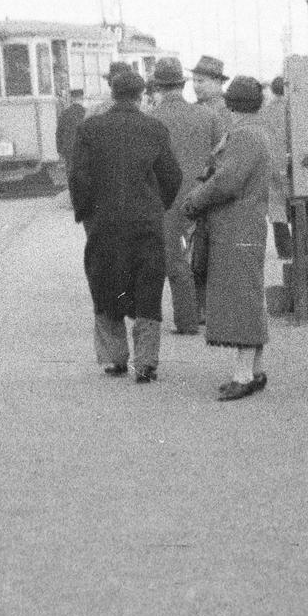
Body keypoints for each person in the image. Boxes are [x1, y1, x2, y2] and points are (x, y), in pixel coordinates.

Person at [68, 67, 182, 384]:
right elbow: (172, 175)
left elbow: (78, 178)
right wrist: (158, 205)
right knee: (147, 287)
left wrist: (87, 214)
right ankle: (145, 363)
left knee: (106, 285)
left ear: (113, 93)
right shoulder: (154, 129)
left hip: (103, 222)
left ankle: (114, 358)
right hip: (145, 222)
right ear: (141, 95)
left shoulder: (89, 129)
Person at [183, 76, 272, 401]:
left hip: (236, 227)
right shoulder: (255, 131)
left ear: (230, 104)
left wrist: (195, 200)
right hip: (244, 226)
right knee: (248, 295)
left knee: (241, 299)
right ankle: (255, 369)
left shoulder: (244, 135)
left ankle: (243, 375)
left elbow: (227, 182)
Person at [148, 57, 224, 334]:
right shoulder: (208, 116)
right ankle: (213, 313)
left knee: (175, 260)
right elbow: (222, 159)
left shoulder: (150, 119)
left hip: (166, 200)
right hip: (204, 195)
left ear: (157, 87)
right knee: (207, 257)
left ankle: (187, 320)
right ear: (182, 85)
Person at [260, 75, 292, 258]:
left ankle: (284, 249)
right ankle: (301, 246)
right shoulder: (292, 109)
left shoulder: (266, 111)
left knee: (276, 207)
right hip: (291, 161)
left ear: (272, 90)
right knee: (296, 202)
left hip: (272, 161)